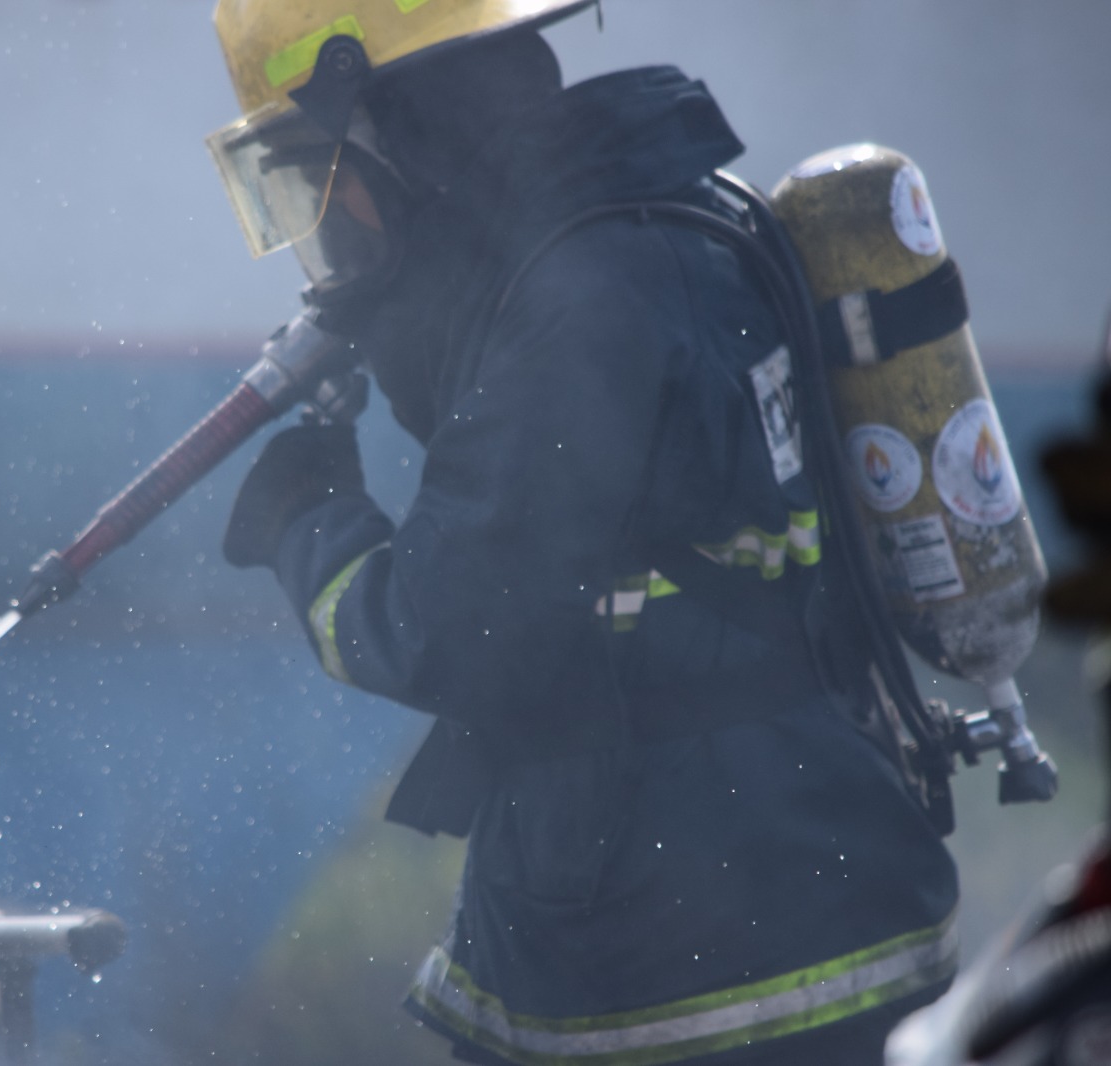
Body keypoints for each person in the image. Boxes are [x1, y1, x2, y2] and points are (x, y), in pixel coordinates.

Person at [206, 1, 960, 1062]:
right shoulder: (689, 220)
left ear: (400, 139)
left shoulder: (575, 310)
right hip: (829, 876)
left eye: (324, 181)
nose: (336, 232)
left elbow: (433, 630)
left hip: (669, 962)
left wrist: (306, 521)